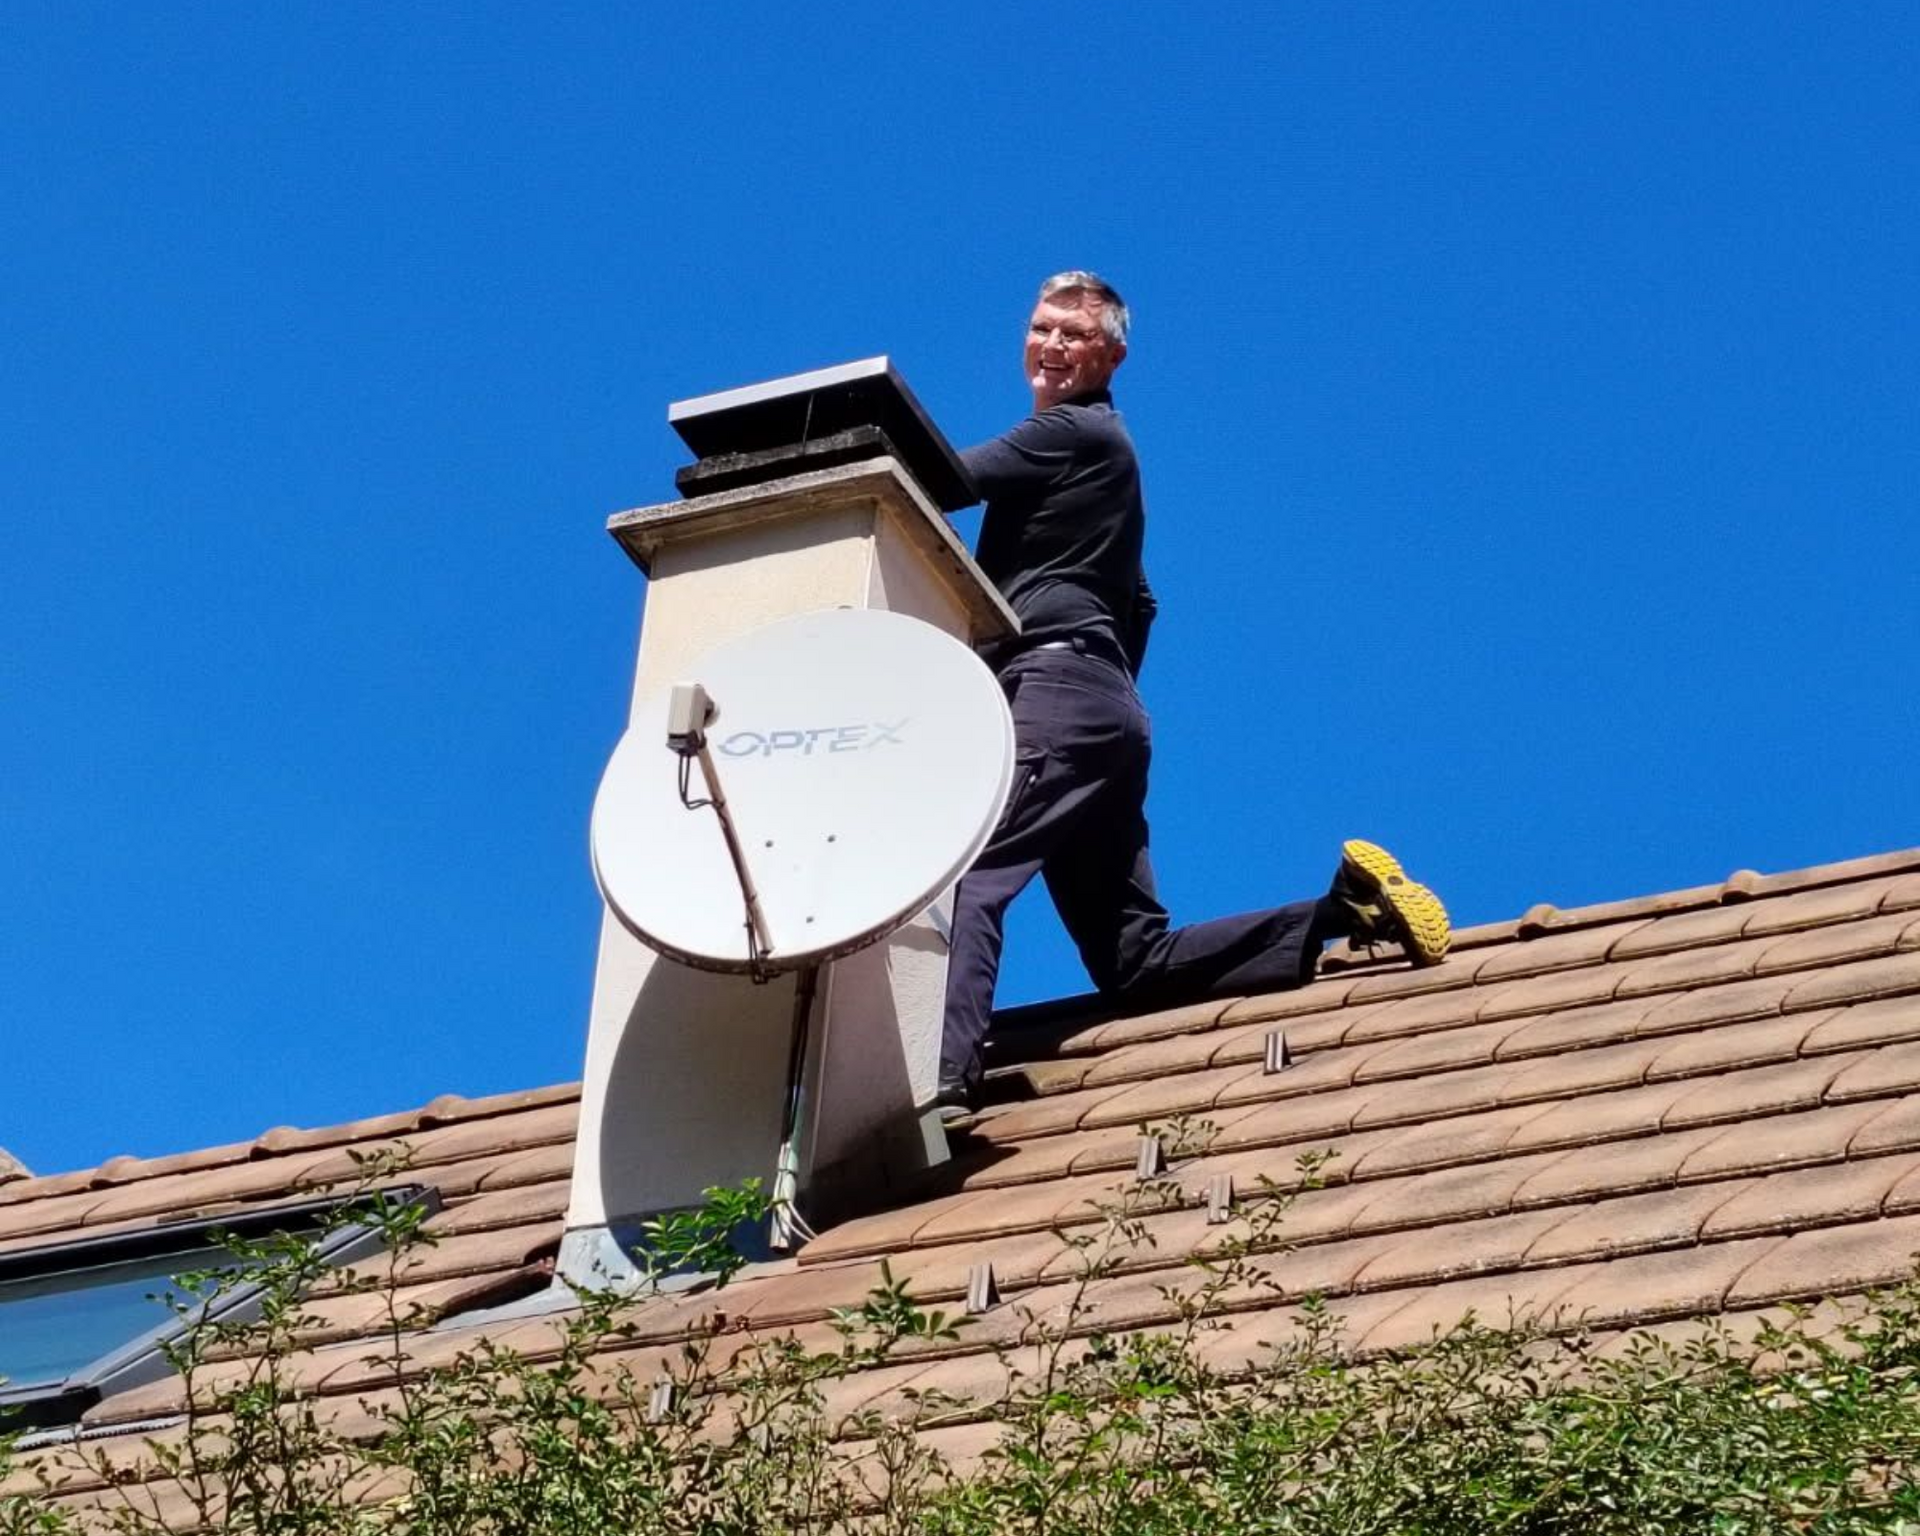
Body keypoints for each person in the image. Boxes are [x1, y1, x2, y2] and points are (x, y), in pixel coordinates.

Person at [936, 270, 1450, 1112]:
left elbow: (940, 477)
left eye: (1074, 333)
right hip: (1102, 713)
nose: (1053, 345)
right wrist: (1097, 690)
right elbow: (1141, 600)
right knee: (1132, 962)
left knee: (971, 879)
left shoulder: (1070, 433)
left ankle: (941, 1085)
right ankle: (1342, 912)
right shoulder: (1102, 463)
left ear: (1112, 354)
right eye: (1041, 328)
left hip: (1060, 693)